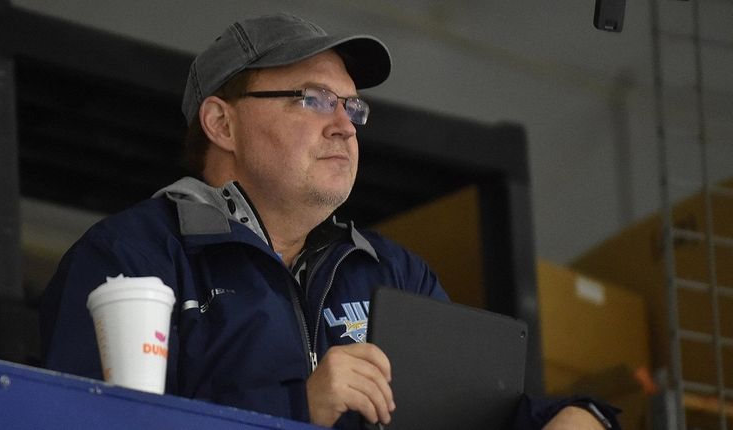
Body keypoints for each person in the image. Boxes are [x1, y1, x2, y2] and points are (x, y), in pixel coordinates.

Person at [40, 13, 619, 430]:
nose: (345, 125)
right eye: (314, 99)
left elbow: (472, 412)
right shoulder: (127, 258)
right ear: (222, 124)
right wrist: (297, 409)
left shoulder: (394, 273)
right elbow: (74, 422)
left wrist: (570, 415)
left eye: (354, 107)